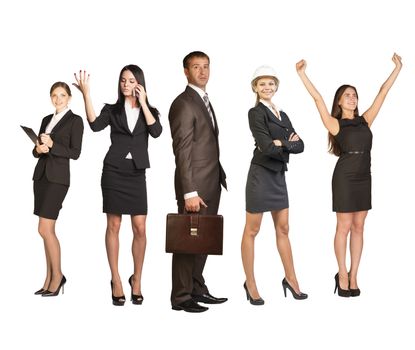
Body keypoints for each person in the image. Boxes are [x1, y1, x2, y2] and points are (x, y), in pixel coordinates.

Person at [296, 53, 402, 297]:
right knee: (343, 226)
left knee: (359, 227)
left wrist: (397, 68)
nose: (352, 98)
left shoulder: (365, 120)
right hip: (344, 178)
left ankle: (355, 275)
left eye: (354, 95)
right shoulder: (335, 124)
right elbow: (317, 99)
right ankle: (341, 273)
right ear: (340, 102)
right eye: (347, 95)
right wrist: (302, 73)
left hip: (365, 177)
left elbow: (382, 92)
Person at [73, 65, 162, 306]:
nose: (125, 84)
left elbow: (156, 132)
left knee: (140, 227)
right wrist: (86, 94)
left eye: (131, 80)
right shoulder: (112, 110)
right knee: (113, 224)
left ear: (139, 83)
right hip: (113, 172)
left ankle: (138, 280)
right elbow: (94, 125)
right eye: (123, 80)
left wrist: (143, 102)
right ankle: (116, 279)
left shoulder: (149, 111)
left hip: (136, 173)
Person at [241, 66, 308, 305]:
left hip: (278, 175)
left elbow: (301, 145)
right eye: (262, 84)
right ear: (255, 88)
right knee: (252, 230)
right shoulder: (255, 113)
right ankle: (250, 283)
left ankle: (291, 279)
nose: (267, 88)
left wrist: (280, 142)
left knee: (284, 229)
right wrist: (282, 142)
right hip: (260, 175)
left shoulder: (283, 115)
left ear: (276, 86)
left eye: (271, 84)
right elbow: (266, 146)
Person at [168, 51, 227, 313]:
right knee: (186, 241)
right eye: (196, 67)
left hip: (211, 181)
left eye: (206, 66)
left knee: (203, 241)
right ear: (186, 71)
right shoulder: (183, 103)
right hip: (195, 186)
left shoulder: (203, 99)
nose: (203, 72)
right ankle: (181, 298)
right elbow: (182, 151)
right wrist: (189, 191)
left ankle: (196, 288)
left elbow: (205, 142)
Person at [32, 82, 84, 297]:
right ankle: (48, 278)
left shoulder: (75, 121)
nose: (58, 99)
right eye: (54, 95)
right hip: (41, 176)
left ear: (69, 97)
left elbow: (75, 152)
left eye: (62, 95)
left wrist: (53, 145)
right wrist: (39, 148)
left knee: (44, 229)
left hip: (58, 179)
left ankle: (58, 276)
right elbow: (37, 152)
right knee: (47, 231)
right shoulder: (46, 119)